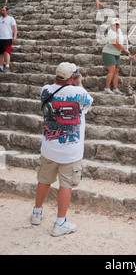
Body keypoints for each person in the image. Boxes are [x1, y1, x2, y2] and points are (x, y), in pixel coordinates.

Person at [31, 62, 93, 237]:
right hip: (70, 151)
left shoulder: (45, 90)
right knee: (66, 184)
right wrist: (79, 83)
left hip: (49, 147)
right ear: (72, 77)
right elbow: (88, 104)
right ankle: (60, 223)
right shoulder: (79, 92)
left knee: (44, 180)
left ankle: (36, 213)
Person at [102, 18, 130, 95]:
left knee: (116, 71)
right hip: (108, 53)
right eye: (114, 24)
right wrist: (125, 50)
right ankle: (107, 88)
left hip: (116, 54)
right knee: (112, 70)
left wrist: (125, 38)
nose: (116, 26)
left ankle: (115, 88)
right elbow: (116, 44)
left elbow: (121, 38)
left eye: (117, 24)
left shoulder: (119, 31)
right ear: (111, 25)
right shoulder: (111, 32)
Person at [0, 6, 17, 73]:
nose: (2, 11)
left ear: (7, 11)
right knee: (0, 53)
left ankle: (7, 66)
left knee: (6, 52)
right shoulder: (0, 19)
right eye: (1, 10)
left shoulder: (11, 19)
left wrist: (14, 36)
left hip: (8, 38)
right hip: (0, 38)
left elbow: (15, 28)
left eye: (3, 10)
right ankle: (0, 67)